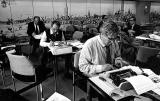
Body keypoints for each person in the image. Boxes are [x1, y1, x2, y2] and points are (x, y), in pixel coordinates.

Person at [79, 20, 152, 101]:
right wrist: (101, 68)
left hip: (111, 73)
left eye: (115, 38)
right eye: (111, 39)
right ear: (102, 34)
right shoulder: (90, 44)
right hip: (96, 75)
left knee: (128, 92)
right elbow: (82, 67)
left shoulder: (113, 42)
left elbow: (117, 56)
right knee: (111, 96)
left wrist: (119, 61)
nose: (113, 42)